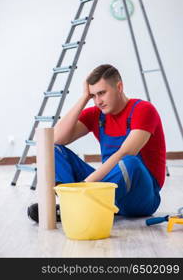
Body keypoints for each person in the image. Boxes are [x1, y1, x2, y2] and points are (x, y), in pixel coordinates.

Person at [28, 64, 166, 222]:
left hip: (141, 196)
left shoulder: (143, 110)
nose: (98, 101)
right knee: (52, 150)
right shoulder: (97, 115)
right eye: (93, 96)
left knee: (129, 163)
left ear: (119, 87)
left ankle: (77, 206)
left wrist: (84, 185)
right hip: (107, 187)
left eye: (101, 93)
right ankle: (71, 205)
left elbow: (125, 153)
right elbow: (55, 139)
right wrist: (83, 98)